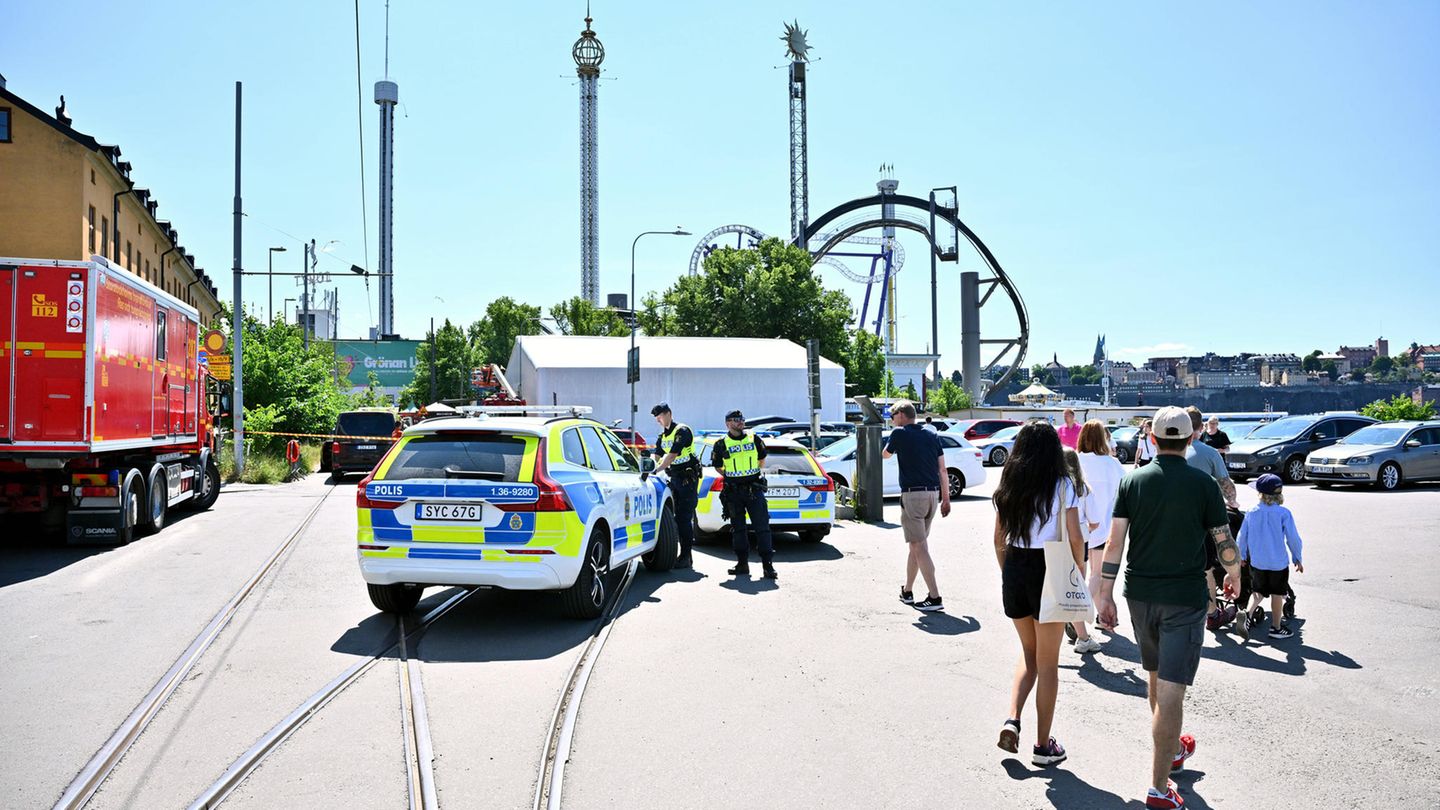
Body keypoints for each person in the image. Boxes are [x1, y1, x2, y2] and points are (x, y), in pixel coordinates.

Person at [1094, 407, 1242, 809]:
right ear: (1192, 439)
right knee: (1172, 690)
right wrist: (1236, 574)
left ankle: (1172, 749)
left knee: (1156, 677)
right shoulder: (1203, 484)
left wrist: (1104, 594)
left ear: (1154, 440)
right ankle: (1159, 788)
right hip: (1184, 598)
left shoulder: (1132, 481)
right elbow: (1223, 538)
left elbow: (1114, 543)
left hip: (1139, 593)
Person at [992, 422, 1084, 766]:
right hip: (1050, 567)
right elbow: (1075, 536)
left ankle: (1011, 719)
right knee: (1048, 664)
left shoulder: (1008, 484)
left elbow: (998, 539)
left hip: (1016, 567)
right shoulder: (1063, 485)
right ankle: (1043, 746)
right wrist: (1077, 572)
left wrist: (1008, 573)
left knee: (1028, 655)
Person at [883, 399, 951, 612]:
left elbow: (885, 455)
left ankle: (935, 596)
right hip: (933, 495)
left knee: (919, 546)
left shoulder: (899, 433)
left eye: (893, 416)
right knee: (916, 546)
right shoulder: (932, 435)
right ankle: (908, 591)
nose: (892, 421)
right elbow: (943, 470)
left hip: (913, 496)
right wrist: (946, 499)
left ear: (902, 415)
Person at [1067, 422, 1125, 653]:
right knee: (1097, 575)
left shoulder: (1075, 461)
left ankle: (1099, 615)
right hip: (1104, 526)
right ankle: (1077, 613)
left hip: (1077, 526)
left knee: (1079, 572)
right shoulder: (1112, 464)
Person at [1183, 407, 1240, 629]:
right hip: (1203, 518)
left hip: (1175, 518)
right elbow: (1227, 486)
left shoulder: (1169, 453)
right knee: (1205, 566)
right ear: (1200, 428)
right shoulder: (1209, 453)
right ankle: (1212, 613)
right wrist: (1232, 501)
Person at [710, 409, 777, 579]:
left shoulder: (753, 438)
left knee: (762, 528)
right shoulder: (721, 444)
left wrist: (749, 474)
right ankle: (742, 564)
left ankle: (767, 566)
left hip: (753, 489)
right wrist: (731, 476)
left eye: (741, 419)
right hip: (733, 492)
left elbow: (762, 459)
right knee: (738, 529)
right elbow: (718, 465)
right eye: (736, 419)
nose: (740, 422)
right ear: (728, 423)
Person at [1236, 474, 1304, 640]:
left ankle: (1247, 613)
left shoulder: (1251, 512)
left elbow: (1242, 536)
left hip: (1258, 561)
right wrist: (1297, 557)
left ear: (1260, 493)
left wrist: (1242, 555)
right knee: (1277, 594)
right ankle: (1276, 627)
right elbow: (1293, 538)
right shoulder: (1283, 513)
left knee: (1258, 591)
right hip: (1277, 562)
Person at [646, 402, 700, 569]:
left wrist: (656, 469)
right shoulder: (663, 436)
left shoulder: (682, 431)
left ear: (668, 413)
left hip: (688, 479)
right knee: (676, 519)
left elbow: (672, 454)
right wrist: (648, 467)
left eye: (660, 416)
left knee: (684, 519)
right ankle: (682, 555)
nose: (658, 420)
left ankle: (686, 557)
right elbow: (657, 455)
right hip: (675, 479)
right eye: (656, 418)